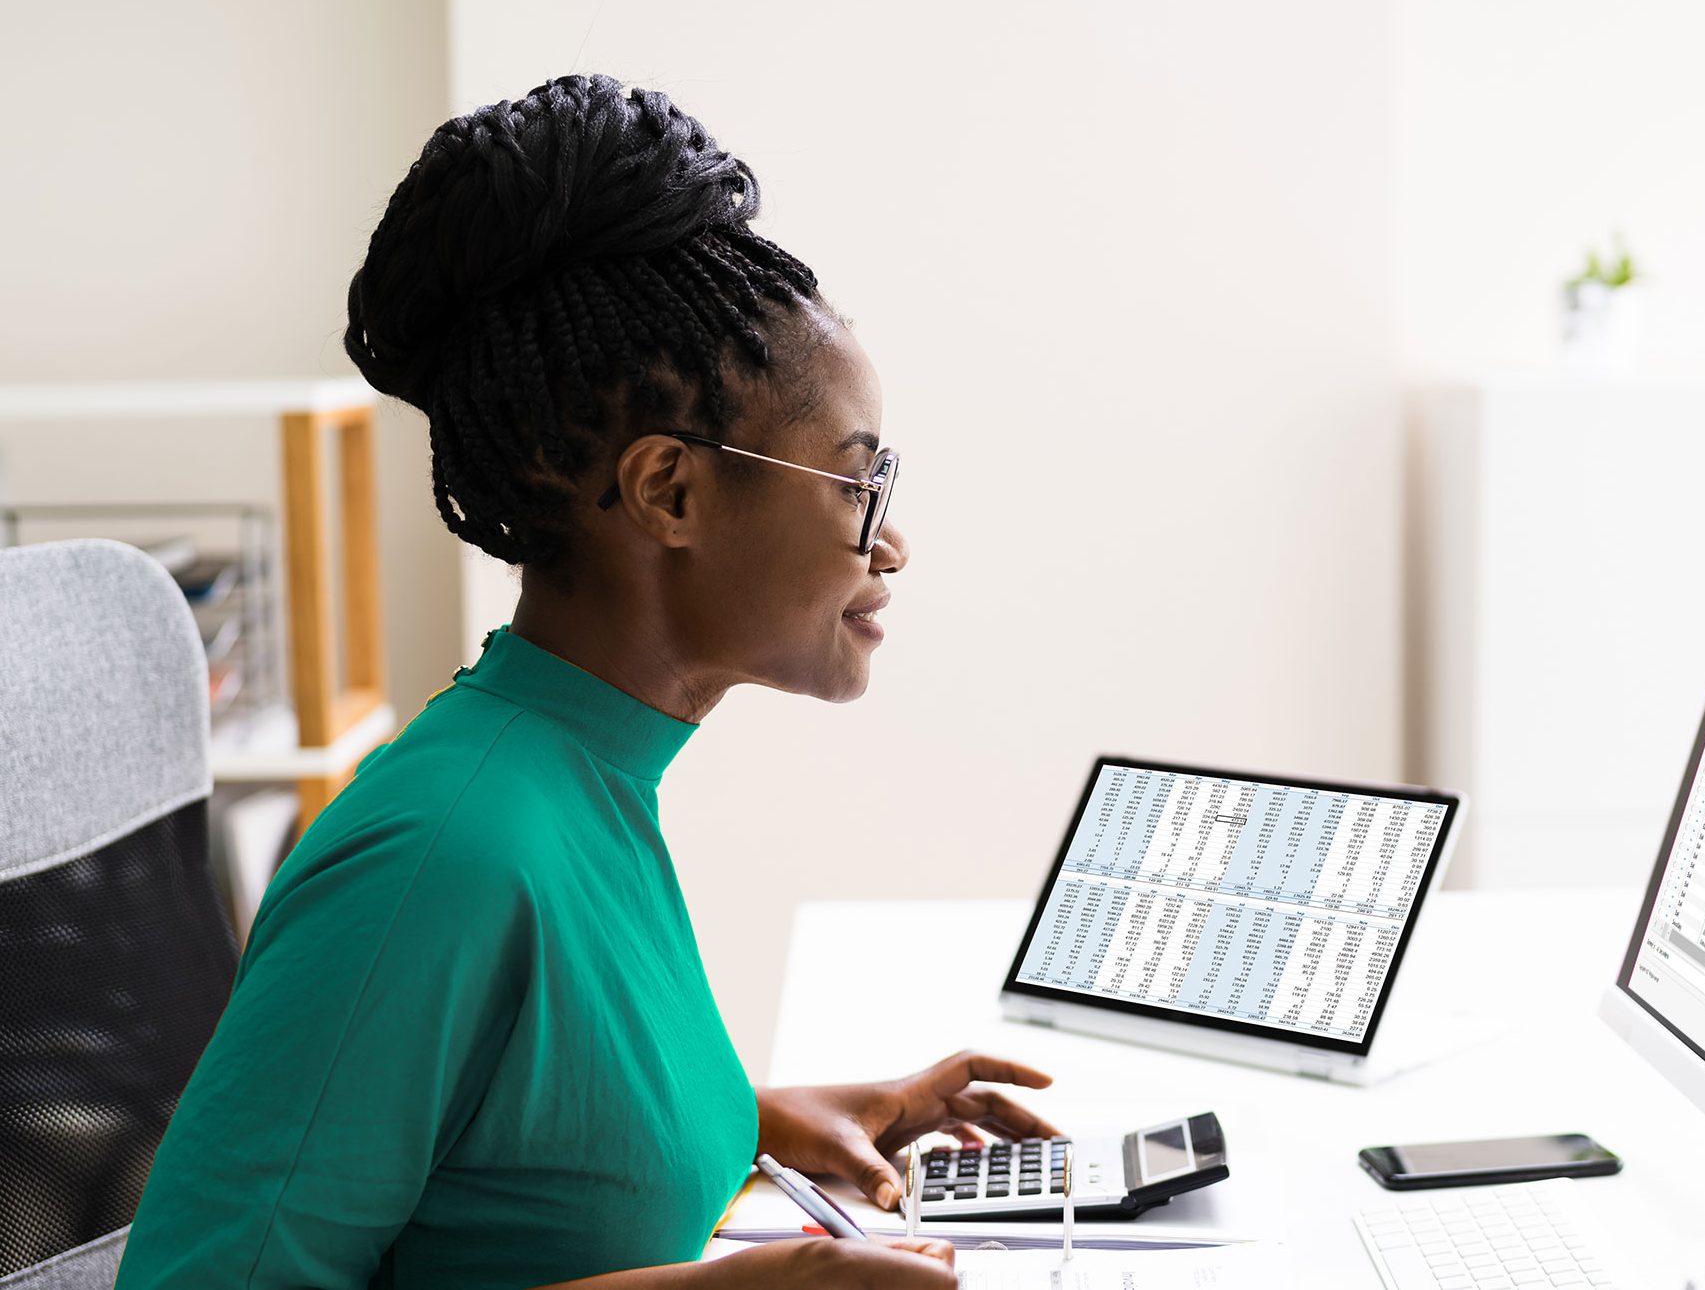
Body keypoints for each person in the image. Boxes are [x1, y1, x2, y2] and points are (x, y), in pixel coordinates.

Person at [117, 74, 1030, 1289]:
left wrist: (748, 1121)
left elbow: (514, 1142)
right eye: (857, 484)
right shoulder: (441, 858)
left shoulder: (589, 773)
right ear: (670, 494)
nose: (891, 542)